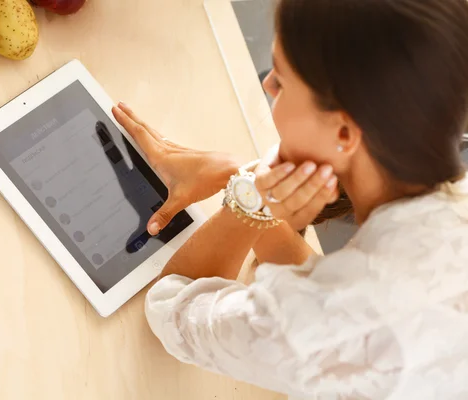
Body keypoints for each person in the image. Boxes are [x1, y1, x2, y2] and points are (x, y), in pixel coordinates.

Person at [112, 0, 468, 398]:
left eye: (280, 81)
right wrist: (243, 180)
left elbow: (172, 308)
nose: (266, 85)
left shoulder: (322, 323)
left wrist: (251, 197)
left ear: (346, 135)